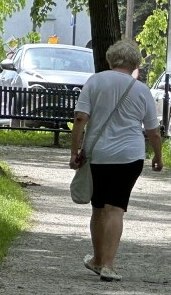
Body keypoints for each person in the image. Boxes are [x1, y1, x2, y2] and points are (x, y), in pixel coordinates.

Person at [69, 39, 163, 282]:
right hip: (130, 156)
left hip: (99, 154)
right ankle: (109, 265)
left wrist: (74, 151)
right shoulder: (141, 90)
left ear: (110, 59)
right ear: (135, 63)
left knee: (98, 208)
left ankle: (98, 260)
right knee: (116, 209)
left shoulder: (95, 81)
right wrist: (158, 157)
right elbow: (153, 131)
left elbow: (80, 118)